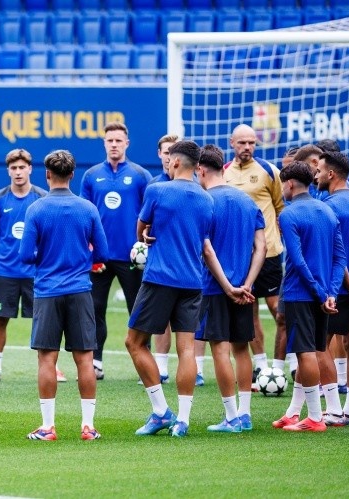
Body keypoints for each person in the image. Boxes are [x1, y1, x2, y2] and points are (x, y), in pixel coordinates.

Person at [125, 140, 214, 438]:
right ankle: (183, 420)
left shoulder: (157, 190)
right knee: (187, 349)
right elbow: (202, 239)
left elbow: (140, 231)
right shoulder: (207, 199)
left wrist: (146, 235)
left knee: (134, 342)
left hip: (160, 279)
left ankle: (161, 411)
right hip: (193, 281)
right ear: (198, 166)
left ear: (174, 162)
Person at [19, 149, 108, 441]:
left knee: (47, 359)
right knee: (85, 359)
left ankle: (48, 427)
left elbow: (25, 255)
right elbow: (103, 253)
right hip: (80, 291)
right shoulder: (88, 208)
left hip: (47, 291)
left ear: (47, 174)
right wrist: (82, 258)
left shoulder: (36, 209)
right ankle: (88, 427)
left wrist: (46, 256)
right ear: (72, 175)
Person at [196, 145, 266, 433]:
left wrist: (227, 286)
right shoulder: (247, 201)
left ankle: (231, 417)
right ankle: (245, 414)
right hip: (244, 289)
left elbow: (207, 250)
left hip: (216, 288)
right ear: (223, 167)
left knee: (220, 350)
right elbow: (261, 247)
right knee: (241, 349)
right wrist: (247, 284)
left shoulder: (204, 202)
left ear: (200, 170)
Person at [271, 161, 345, 432]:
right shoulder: (327, 210)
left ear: (290, 184)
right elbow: (340, 258)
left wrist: (319, 291)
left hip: (300, 293)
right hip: (323, 293)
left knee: (306, 353)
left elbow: (298, 261)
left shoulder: (288, 214)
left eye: (283, 184)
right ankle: (293, 412)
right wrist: (331, 293)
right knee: (315, 350)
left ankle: (314, 417)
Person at [80, 121, 152, 380]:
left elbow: (150, 213)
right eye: (110, 140)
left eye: (118, 140)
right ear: (104, 143)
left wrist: (143, 243)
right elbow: (84, 214)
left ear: (127, 143)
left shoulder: (140, 175)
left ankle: (145, 363)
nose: (114, 145)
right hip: (99, 256)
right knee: (95, 308)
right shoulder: (91, 176)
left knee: (139, 310)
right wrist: (89, 246)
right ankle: (96, 361)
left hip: (131, 256)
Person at [0, 148, 56, 383]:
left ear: (30, 169)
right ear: (8, 171)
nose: (18, 172)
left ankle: (53, 368)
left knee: (44, 321)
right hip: (6, 271)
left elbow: (50, 232)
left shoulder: (42, 198)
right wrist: (7, 249)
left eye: (22, 167)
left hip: (36, 272)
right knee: (0, 319)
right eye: (14, 168)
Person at [223, 124, 285, 389]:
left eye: (251, 143)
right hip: (239, 256)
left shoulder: (269, 171)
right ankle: (261, 367)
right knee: (248, 312)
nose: (247, 147)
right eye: (242, 143)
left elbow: (280, 208)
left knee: (280, 311)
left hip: (269, 252)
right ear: (232, 143)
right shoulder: (224, 172)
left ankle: (283, 366)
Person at [315, 151, 349, 425]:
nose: (316, 176)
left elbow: (337, 253)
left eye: (319, 171)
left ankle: (334, 409)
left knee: (319, 345)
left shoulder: (329, 206)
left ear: (331, 174)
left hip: (339, 287)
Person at [148, 134, 179, 384]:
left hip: (188, 259)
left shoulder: (194, 184)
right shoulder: (154, 185)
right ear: (160, 154)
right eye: (166, 152)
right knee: (161, 316)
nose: (170, 157)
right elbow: (145, 222)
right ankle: (161, 368)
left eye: (174, 152)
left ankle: (197, 369)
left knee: (190, 319)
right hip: (160, 260)